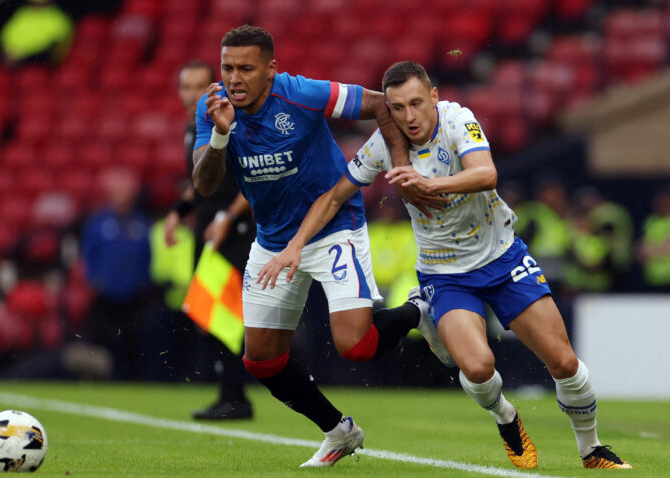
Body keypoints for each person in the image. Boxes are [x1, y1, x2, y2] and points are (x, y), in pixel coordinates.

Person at [259, 61, 631, 470]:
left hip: (502, 259)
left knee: (562, 362)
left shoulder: (457, 120)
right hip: (445, 275)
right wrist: (294, 245)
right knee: (477, 365)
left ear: (434, 96)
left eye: (417, 103)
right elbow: (333, 196)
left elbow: (486, 174)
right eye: (397, 108)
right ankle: (506, 417)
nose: (409, 116)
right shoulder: (384, 145)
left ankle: (591, 449)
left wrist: (428, 185)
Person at [192, 25, 446, 467]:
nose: (234, 78)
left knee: (357, 346)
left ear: (271, 70)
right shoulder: (213, 107)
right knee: (261, 361)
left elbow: (377, 103)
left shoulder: (302, 94)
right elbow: (203, 182)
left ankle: (417, 311)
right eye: (228, 67)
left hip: (333, 227)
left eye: (246, 69)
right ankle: (339, 431)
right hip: (273, 241)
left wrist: (403, 169)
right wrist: (219, 136)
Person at [163, 60, 255, 420]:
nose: (191, 95)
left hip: (231, 233)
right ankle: (230, 394)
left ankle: (235, 397)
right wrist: (178, 210)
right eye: (185, 87)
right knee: (211, 318)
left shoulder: (228, 126)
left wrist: (227, 218)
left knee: (224, 318)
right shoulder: (194, 129)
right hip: (208, 229)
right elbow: (199, 181)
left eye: (199, 87)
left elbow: (252, 180)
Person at [80, 167, 151, 380]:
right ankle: (101, 379)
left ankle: (131, 380)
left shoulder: (142, 224)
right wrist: (94, 280)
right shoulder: (98, 223)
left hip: (133, 298)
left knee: (132, 341)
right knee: (103, 341)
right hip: (105, 296)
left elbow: (147, 258)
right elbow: (88, 255)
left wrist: (143, 284)